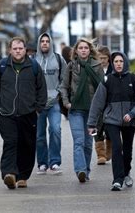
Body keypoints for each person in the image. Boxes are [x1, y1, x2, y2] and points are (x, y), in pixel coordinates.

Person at [0, 37, 47, 189]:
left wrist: (38, 108)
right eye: (15, 49)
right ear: (10, 50)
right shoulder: (2, 66)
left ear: (25, 50)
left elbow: (41, 89)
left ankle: (23, 176)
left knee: (27, 145)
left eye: (20, 48)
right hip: (6, 113)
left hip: (28, 113)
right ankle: (9, 173)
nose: (18, 51)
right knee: (11, 142)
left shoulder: (34, 67)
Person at [87, 51, 135, 191]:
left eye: (121, 61)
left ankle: (126, 173)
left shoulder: (134, 79)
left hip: (129, 121)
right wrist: (91, 123)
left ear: (125, 62)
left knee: (127, 149)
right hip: (111, 121)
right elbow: (97, 103)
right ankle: (117, 180)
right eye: (116, 62)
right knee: (117, 147)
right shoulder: (107, 80)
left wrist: (132, 114)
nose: (118, 64)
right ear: (112, 64)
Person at [59, 38, 103, 183]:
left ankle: (86, 171)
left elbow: (102, 88)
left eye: (86, 48)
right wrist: (66, 102)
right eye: (81, 48)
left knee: (88, 143)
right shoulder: (71, 67)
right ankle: (81, 170)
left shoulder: (97, 66)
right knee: (79, 141)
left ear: (90, 50)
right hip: (75, 110)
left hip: (93, 112)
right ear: (76, 51)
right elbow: (63, 86)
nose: (83, 50)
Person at [35, 33, 67, 175]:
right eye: (42, 41)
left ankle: (54, 162)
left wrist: (59, 93)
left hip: (54, 103)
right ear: (39, 43)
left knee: (55, 130)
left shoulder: (59, 60)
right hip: (38, 104)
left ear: (51, 43)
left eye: (47, 41)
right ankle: (42, 163)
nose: (45, 43)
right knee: (39, 135)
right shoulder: (33, 61)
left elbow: (65, 79)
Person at [94, 46, 113, 165]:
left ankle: (109, 151)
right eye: (100, 58)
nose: (102, 60)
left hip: (111, 104)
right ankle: (100, 154)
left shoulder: (113, 69)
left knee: (110, 128)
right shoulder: (95, 69)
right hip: (98, 103)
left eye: (105, 58)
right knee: (97, 128)